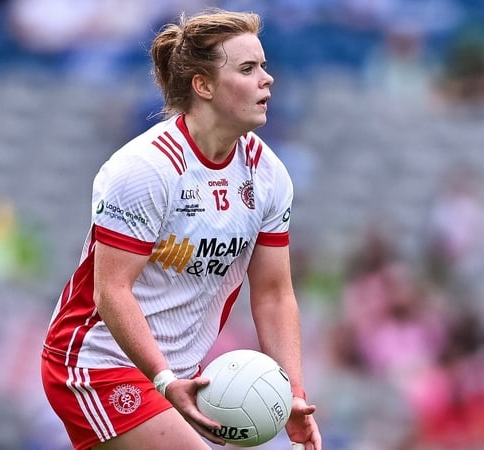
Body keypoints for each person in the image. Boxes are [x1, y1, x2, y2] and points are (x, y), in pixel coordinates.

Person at [39, 8, 321, 450]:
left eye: (264, 66)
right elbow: (111, 291)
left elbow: (273, 293)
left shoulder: (268, 173)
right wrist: (166, 380)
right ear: (203, 85)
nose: (268, 79)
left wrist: (294, 396)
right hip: (97, 364)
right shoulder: (146, 169)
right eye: (248, 68)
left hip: (177, 376)